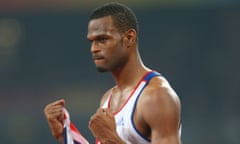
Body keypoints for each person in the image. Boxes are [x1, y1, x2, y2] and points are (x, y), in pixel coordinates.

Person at [44, 2, 182, 144]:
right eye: (91, 41)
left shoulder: (157, 96)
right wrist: (65, 134)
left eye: (102, 39)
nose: (94, 49)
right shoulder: (107, 99)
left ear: (129, 37)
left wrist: (112, 138)